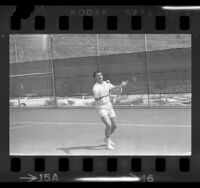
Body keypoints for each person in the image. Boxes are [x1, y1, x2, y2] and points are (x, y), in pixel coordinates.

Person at [92, 71, 128, 150]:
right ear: (95, 78)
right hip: (101, 107)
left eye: (101, 75)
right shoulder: (95, 87)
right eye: (98, 76)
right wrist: (96, 98)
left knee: (114, 126)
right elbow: (95, 96)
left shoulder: (106, 83)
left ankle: (106, 138)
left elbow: (115, 88)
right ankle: (108, 144)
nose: (100, 76)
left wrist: (121, 86)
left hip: (109, 106)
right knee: (108, 125)